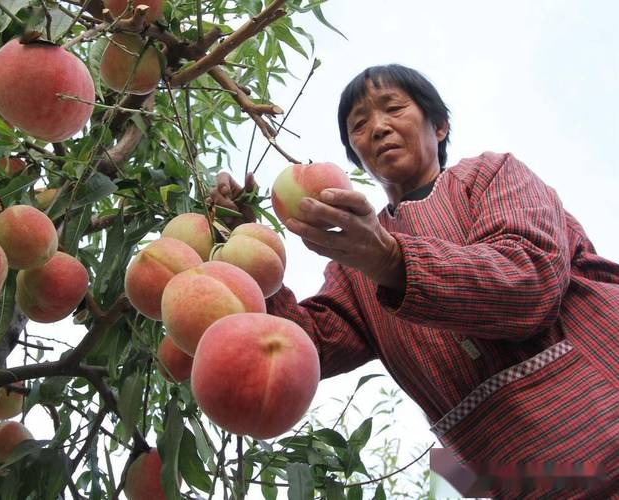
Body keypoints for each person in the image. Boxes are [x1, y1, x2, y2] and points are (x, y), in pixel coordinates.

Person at [210, 64, 619, 499]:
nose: (378, 128)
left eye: (393, 108)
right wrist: (249, 254)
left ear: (439, 125)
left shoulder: (491, 175)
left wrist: (392, 260)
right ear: (356, 156)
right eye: (359, 125)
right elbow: (308, 346)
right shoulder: (354, 266)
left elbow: (530, 279)